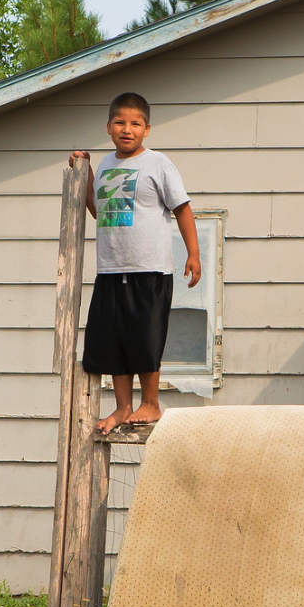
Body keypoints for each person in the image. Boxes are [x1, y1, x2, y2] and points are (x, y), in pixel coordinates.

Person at [69, 91, 200, 435]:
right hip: (111, 268)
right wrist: (86, 172)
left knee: (145, 337)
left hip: (149, 268)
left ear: (147, 129)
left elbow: (182, 208)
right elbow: (100, 211)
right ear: (108, 127)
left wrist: (194, 253)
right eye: (120, 123)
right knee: (115, 340)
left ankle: (151, 403)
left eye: (136, 124)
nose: (127, 129)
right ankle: (123, 407)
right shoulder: (106, 166)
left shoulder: (158, 164)